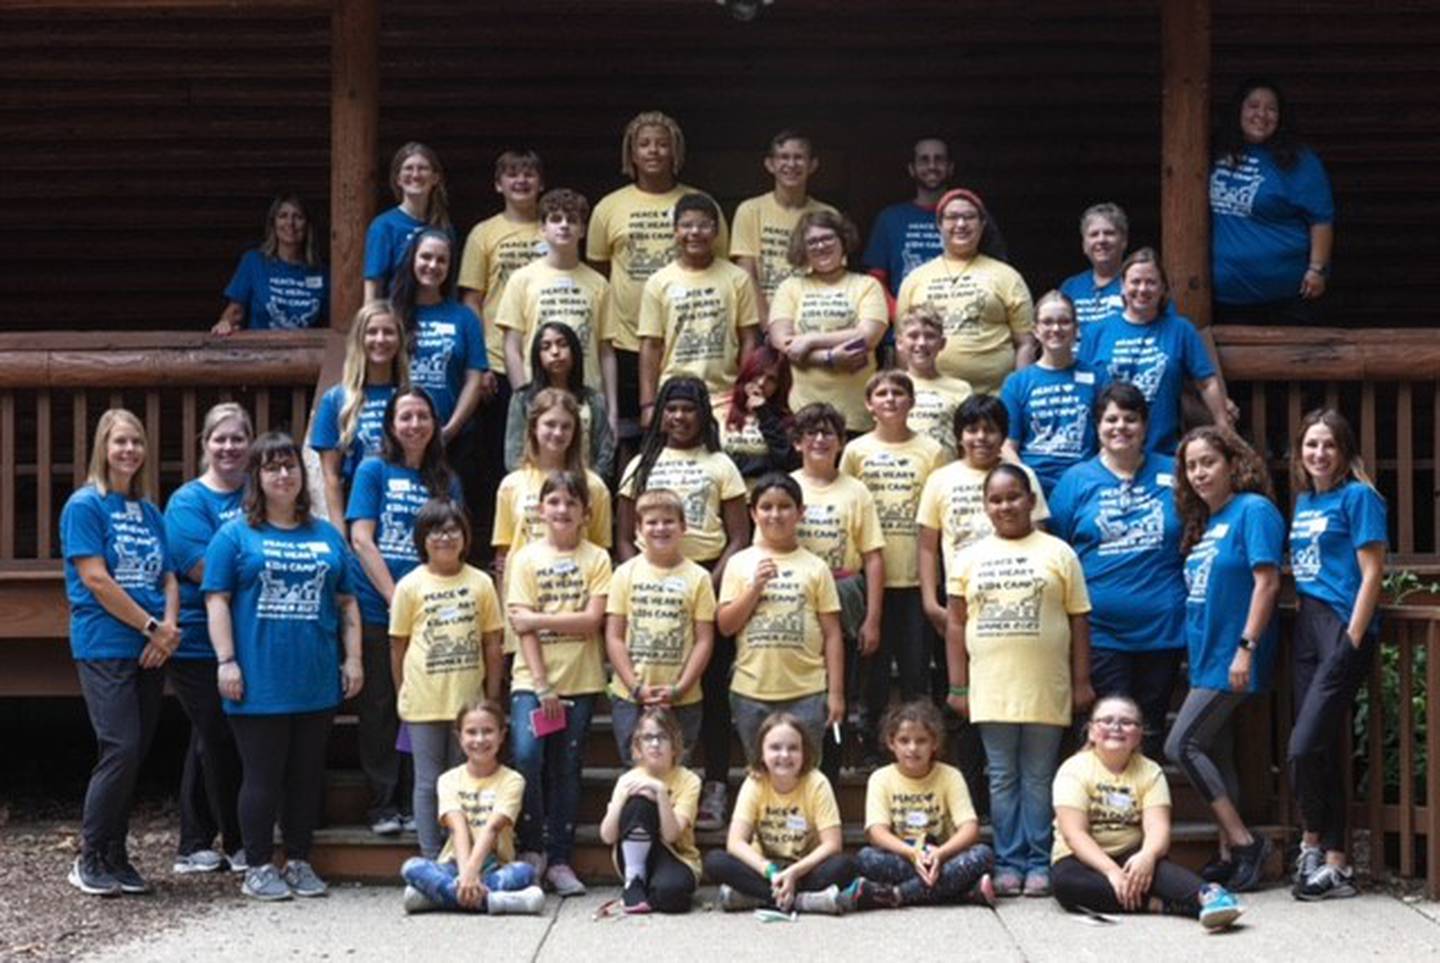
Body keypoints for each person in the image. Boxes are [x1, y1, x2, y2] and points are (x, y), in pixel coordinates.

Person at [203, 432, 362, 901]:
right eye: (272, 467)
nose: (283, 474)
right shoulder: (234, 535)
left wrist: (353, 659)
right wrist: (226, 662)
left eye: (290, 465)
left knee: (306, 775)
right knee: (263, 776)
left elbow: (348, 602)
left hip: (314, 678)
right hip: (258, 680)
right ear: (257, 476)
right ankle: (256, 864)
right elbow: (217, 601)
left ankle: (298, 859)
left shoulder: (325, 534)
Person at [946, 464, 1093, 897]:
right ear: (985, 506)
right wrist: (957, 686)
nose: (1005, 506)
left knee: (1039, 776)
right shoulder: (968, 556)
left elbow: (1080, 620)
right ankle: (1009, 861)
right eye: (996, 499)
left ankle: (1038, 861)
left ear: (1031, 500)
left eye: (1013, 497)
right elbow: (956, 625)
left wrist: (1082, 679)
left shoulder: (1059, 552)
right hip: (991, 686)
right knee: (1002, 777)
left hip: (1046, 684)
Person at [618, 376, 748, 830]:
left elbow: (738, 536)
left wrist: (709, 584)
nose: (678, 417)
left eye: (688, 408)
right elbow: (622, 536)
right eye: (670, 408)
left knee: (708, 690)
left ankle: (709, 784)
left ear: (702, 414)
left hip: (707, 576)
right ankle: (644, 781)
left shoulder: (720, 464)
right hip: (649, 582)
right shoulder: (641, 463)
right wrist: (641, 577)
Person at [61, 408, 180, 896]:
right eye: (119, 442)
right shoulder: (86, 505)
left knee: (134, 752)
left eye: (136, 442)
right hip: (106, 644)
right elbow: (95, 578)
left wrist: (168, 628)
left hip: (150, 648)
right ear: (102, 449)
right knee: (120, 746)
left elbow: (168, 574)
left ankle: (116, 855)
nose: (128, 450)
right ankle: (90, 857)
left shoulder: (149, 510)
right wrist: (152, 626)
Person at [1165, 426, 1283, 893]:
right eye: (1191, 466)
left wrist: (1246, 648)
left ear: (1233, 464)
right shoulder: (1209, 523)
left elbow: (1267, 582)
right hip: (1205, 653)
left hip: (1232, 655)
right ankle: (1230, 854)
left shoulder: (1253, 510)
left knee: (1182, 745)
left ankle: (1245, 841)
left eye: (1208, 462)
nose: (1199, 473)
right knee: (1216, 750)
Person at [347, 387, 463, 836]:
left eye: (422, 417)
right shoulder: (374, 470)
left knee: (426, 707)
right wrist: (398, 599)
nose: (414, 424)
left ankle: (424, 801)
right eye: (405, 417)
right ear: (391, 425)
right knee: (380, 705)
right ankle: (382, 803)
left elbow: (456, 538)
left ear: (434, 424)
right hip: (380, 608)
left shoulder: (445, 479)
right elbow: (361, 537)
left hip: (435, 614)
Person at [1047, 383, 1185, 760]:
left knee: (1150, 728)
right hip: (1101, 629)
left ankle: (1147, 811)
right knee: (1110, 725)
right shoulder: (1076, 481)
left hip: (1163, 626)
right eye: (1111, 419)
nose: (1120, 427)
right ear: (1097, 425)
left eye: (1130, 419)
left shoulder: (1174, 472)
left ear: (1145, 425)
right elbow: (1057, 549)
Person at [1287, 409, 1386, 899]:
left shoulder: (1359, 497)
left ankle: (1312, 839)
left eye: (1328, 445)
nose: (1319, 454)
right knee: (1320, 746)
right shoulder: (1305, 501)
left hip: (1342, 626)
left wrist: (1351, 638)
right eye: (1310, 445)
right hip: (1306, 623)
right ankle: (1334, 861)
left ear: (1344, 451)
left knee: (1302, 747)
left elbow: (1372, 573)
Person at [587, 111, 729, 444]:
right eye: (645, 144)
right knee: (628, 434)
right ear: (631, 153)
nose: (653, 151)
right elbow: (598, 276)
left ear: (676, 151)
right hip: (626, 341)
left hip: (687, 344)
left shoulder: (700, 204)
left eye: (662, 144)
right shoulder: (608, 207)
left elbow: (719, 270)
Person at [506, 470, 612, 897]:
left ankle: (561, 857)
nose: (562, 510)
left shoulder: (598, 558)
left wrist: (538, 617)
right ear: (541, 509)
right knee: (529, 758)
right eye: (554, 502)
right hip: (532, 681)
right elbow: (520, 626)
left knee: (567, 769)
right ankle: (533, 849)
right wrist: (543, 685)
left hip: (581, 680)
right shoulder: (525, 559)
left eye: (571, 503)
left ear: (586, 512)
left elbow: (591, 621)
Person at [1052, 695, 1245, 930]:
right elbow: (1075, 834)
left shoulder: (1151, 771)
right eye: (1107, 720)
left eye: (1126, 722)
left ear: (1139, 734)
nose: (1116, 727)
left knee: (1159, 873)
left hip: (1131, 853)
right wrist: (1111, 871)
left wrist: (1148, 856)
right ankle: (1160, 906)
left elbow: (1158, 828)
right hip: (1080, 858)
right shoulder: (1074, 769)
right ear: (1092, 732)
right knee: (1067, 885)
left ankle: (1212, 898)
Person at [390, 498, 504, 861]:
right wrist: (402, 693)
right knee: (428, 782)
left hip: (467, 703)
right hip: (423, 700)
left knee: (465, 781)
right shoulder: (409, 585)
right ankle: (428, 856)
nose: (444, 537)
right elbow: (398, 646)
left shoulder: (481, 582)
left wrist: (492, 696)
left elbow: (492, 642)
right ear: (422, 538)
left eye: (453, 530)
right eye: (436, 531)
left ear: (466, 536)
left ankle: (463, 855)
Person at [163, 403, 250, 875]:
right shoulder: (187, 502)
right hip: (198, 639)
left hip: (248, 635)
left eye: (238, 438)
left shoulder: (257, 494)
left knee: (210, 733)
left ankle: (194, 842)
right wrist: (254, 574)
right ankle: (235, 841)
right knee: (217, 732)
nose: (229, 447)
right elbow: (198, 568)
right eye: (220, 439)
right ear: (205, 445)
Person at [841, 370, 948, 729]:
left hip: (916, 578)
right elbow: (847, 508)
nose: (890, 399)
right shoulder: (856, 452)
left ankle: (921, 737)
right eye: (882, 393)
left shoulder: (933, 451)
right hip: (870, 577)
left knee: (916, 669)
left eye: (899, 393)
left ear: (912, 402)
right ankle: (870, 740)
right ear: (869, 405)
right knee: (872, 666)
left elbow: (937, 516)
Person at [717, 473, 844, 762]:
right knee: (761, 770)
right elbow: (726, 625)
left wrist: (835, 693)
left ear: (800, 513)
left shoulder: (816, 567)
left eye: (785, 506)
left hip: (807, 691)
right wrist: (754, 588)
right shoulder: (739, 563)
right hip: (751, 690)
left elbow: (832, 634)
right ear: (753, 513)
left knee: (806, 771)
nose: (775, 514)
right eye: (766, 507)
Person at [388, 228, 494, 555]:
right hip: (401, 435)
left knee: (451, 517)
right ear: (412, 261)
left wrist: (450, 429)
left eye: (441, 260)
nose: (432, 265)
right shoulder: (392, 313)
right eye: (426, 257)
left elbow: (475, 376)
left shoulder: (463, 317)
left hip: (453, 438)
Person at [790, 403, 884, 763]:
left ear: (841, 442)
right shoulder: (789, 485)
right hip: (799, 597)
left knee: (840, 679)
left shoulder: (856, 491)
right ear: (797, 443)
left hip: (846, 593)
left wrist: (873, 618)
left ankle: (835, 756)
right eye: (810, 433)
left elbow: (873, 556)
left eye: (828, 432)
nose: (819, 439)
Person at [918, 395, 1049, 650]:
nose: (981, 437)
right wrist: (931, 604)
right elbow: (926, 546)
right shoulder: (940, 480)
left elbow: (1040, 534)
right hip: (960, 599)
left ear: (1003, 435)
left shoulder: (1023, 475)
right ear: (959, 436)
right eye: (972, 430)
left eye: (990, 430)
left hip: (1014, 595)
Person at [702, 712, 858, 914]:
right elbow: (735, 842)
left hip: (804, 868)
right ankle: (801, 901)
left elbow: (832, 844)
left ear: (804, 752)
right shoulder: (754, 782)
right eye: (775, 747)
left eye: (793, 748)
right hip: (764, 869)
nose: (784, 755)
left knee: (845, 865)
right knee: (715, 861)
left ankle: (754, 898)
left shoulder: (817, 782)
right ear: (761, 753)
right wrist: (772, 872)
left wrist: (793, 872)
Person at [1079, 248, 1231, 456]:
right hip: (1107, 451)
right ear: (1122, 287)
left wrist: (1223, 426)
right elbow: (1082, 391)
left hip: (1162, 450)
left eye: (1150, 282)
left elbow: (1207, 382)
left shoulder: (1181, 330)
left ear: (1163, 289)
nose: (1142, 289)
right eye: (1135, 282)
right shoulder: (1095, 332)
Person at [400, 699, 546, 915]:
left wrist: (472, 873)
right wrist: (466, 873)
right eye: (471, 732)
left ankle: (437, 898)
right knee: (411, 867)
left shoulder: (513, 780)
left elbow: (492, 828)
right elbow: (458, 828)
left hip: (496, 865)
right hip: (454, 865)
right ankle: (495, 901)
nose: (479, 739)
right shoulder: (448, 779)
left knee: (525, 871)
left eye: (488, 731)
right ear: (459, 737)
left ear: (502, 735)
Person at [1210, 78, 1335, 325]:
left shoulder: (1299, 160)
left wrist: (1317, 269)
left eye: (1271, 109)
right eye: (1253, 106)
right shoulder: (1215, 151)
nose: (1262, 114)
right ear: (1239, 111)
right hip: (1225, 296)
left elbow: (1321, 219)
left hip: (1286, 297)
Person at [849, 700, 996, 909]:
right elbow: (876, 832)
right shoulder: (880, 778)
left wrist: (940, 854)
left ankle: (896, 895)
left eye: (921, 741)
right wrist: (911, 854)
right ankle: (961, 893)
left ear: (934, 743)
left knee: (984, 855)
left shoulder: (950, 775)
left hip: (943, 857)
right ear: (891, 743)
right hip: (903, 856)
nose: (912, 748)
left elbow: (970, 828)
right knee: (865, 858)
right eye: (904, 740)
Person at [497, 187, 617, 443]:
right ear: (542, 228)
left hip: (586, 399)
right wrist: (524, 397)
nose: (564, 226)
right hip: (539, 398)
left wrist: (612, 409)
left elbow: (605, 350)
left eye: (572, 220)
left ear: (583, 230)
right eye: (555, 219)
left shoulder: (599, 284)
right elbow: (511, 345)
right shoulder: (522, 280)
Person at [605, 489, 716, 758]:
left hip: (682, 697)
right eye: (652, 522)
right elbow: (614, 636)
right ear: (639, 529)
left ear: (683, 527)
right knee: (635, 772)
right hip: (631, 697)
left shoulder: (699, 577)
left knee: (678, 771)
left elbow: (704, 639)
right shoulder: (624, 573)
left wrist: (680, 688)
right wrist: (635, 687)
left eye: (668, 521)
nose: (660, 528)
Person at [895, 188, 1034, 394]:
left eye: (969, 217)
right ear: (939, 225)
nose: (960, 224)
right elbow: (902, 344)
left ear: (982, 224)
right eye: (952, 217)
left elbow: (1026, 344)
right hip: (931, 401)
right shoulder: (914, 279)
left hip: (993, 401)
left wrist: (1020, 395)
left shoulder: (1008, 276)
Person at [637, 193, 759, 422]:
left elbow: (749, 340)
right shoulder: (658, 282)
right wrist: (648, 404)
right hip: (674, 395)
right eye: (686, 225)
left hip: (725, 395)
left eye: (703, 225)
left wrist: (743, 393)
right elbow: (650, 345)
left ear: (716, 231)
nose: (694, 232)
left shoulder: (738, 279)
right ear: (675, 231)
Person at [769, 210, 889, 434]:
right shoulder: (790, 287)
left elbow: (868, 336)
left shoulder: (867, 285)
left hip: (857, 415)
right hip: (804, 413)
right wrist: (829, 358)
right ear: (802, 249)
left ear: (843, 241)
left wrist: (810, 339)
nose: (820, 246)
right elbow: (781, 340)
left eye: (827, 238)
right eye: (812, 241)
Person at [493, 388, 613, 584]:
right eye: (550, 424)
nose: (558, 433)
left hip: (576, 597)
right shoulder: (511, 484)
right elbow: (503, 554)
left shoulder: (594, 486)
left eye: (566, 426)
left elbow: (601, 550)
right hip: (524, 596)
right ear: (533, 427)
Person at [309, 300, 409, 534]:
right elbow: (331, 476)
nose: (380, 339)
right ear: (359, 340)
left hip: (403, 506)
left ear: (400, 340)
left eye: (388, 332)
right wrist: (340, 533)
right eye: (372, 332)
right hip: (357, 509)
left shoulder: (412, 398)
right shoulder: (336, 400)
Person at [598, 707, 703, 914]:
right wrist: (620, 802)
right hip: (631, 856)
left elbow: (671, 835)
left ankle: (648, 891)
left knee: (673, 897)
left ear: (675, 745)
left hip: (675, 855)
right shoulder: (628, 780)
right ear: (638, 747)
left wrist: (661, 793)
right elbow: (607, 836)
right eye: (648, 738)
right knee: (639, 802)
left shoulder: (689, 780)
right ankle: (634, 881)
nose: (655, 744)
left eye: (662, 737)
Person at [729, 130, 837, 326]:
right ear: (770, 164)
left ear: (813, 165)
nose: (791, 164)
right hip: (762, 322)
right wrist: (770, 327)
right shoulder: (750, 211)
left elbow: (834, 274)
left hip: (813, 319)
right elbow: (746, 275)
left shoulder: (828, 214)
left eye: (799, 158)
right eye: (783, 157)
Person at [1000, 291, 1101, 496]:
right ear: (1036, 330)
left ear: (1076, 329)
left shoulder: (1098, 378)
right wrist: (1026, 480)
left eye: (1064, 322)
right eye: (1047, 322)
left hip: (1085, 485)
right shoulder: (1016, 383)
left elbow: (1107, 441)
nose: (1055, 329)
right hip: (1032, 485)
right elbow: (1007, 445)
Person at [458, 149, 546, 384]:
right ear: (498, 185)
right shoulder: (483, 233)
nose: (521, 181)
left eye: (529, 174)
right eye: (512, 174)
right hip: (497, 359)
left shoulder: (556, 230)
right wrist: (480, 361)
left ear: (541, 184)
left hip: (548, 355)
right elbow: (471, 301)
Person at [502, 321, 615, 478]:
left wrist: (587, 485)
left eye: (562, 344)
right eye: (546, 347)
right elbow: (513, 457)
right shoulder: (523, 399)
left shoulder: (593, 400)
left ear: (574, 350)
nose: (555, 352)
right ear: (537, 355)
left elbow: (605, 454)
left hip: (584, 489)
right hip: (532, 489)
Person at [213, 193, 328, 334]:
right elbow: (235, 312)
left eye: (298, 217)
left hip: (307, 353)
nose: (290, 223)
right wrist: (225, 323)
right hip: (261, 352)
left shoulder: (322, 273)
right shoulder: (254, 262)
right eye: (283, 216)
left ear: (308, 225)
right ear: (273, 223)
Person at [365, 142, 452, 301]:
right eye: (408, 168)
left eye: (423, 168)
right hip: (396, 317)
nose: (415, 174)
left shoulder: (444, 227)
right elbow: (373, 284)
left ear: (435, 178)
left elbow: (450, 284)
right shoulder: (384, 226)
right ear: (398, 179)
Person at [896, 304, 973, 461]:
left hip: (945, 475)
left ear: (942, 343)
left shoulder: (961, 389)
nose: (922, 342)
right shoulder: (890, 388)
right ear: (899, 343)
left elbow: (967, 441)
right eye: (913, 336)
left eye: (930, 336)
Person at [720, 344, 799, 488]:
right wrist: (761, 465)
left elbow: (787, 462)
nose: (761, 383)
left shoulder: (785, 420)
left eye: (771, 379)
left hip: (766, 497)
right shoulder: (720, 409)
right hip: (727, 492)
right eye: (758, 374)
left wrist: (764, 413)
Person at [1058, 202, 1130, 336]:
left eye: (1109, 233)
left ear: (1124, 241)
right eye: (1094, 234)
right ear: (1084, 245)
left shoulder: (1139, 285)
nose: (1101, 240)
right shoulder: (1070, 287)